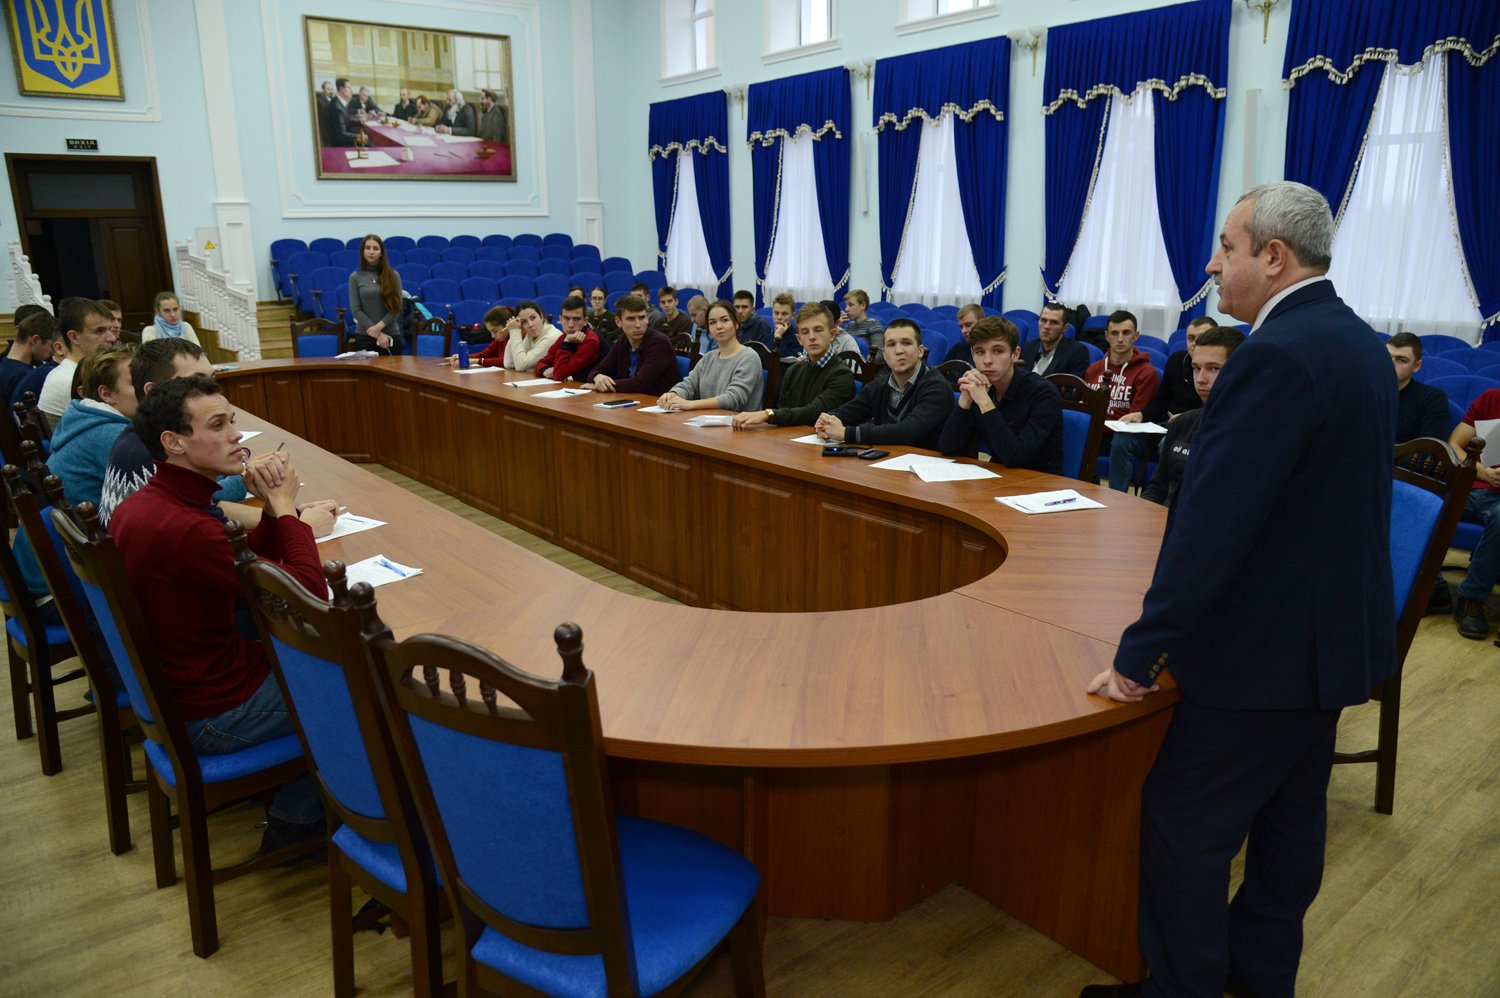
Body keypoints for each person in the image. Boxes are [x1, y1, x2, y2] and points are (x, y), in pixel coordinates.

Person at [1080, 181, 1397, 998]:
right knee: (1289, 827)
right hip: (1330, 641)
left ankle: (1182, 987)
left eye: (1227, 246)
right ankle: (1259, 979)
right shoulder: (1358, 339)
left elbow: (1214, 525)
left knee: (1184, 824)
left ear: (1274, 257)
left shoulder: (1274, 356)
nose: (1214, 265)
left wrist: (1141, 654)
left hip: (1264, 654)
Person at [110, 374, 330, 854]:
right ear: (174, 442)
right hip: (213, 712)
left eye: (231, 420)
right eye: (218, 425)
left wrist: (270, 512)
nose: (237, 434)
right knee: (367, 687)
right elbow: (308, 597)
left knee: (328, 662)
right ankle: (298, 821)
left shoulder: (149, 503)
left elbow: (250, 565)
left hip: (185, 687)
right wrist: (285, 507)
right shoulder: (184, 528)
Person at [97, 338, 335, 535]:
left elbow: (211, 507)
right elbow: (206, 526)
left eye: (211, 379)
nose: (211, 389)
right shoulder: (144, 453)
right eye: (196, 381)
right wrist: (296, 525)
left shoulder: (141, 435)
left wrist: (289, 516)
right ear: (154, 391)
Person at [938, 316, 1063, 473]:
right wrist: (965, 399)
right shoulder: (979, 388)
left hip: (1040, 480)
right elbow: (948, 448)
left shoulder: (1044, 394)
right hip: (998, 475)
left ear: (1015, 354)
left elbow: (1015, 457)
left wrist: (984, 401)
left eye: (998, 351)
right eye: (980, 352)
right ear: (972, 354)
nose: (987, 360)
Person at [1109, 316, 1217, 496]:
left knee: (1167, 444)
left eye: (1202, 338)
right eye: (1191, 338)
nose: (1195, 343)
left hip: (1192, 428)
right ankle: (1116, 497)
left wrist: (1187, 418)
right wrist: (1141, 415)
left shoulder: (1219, 368)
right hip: (1164, 424)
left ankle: (1167, 499)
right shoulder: (1177, 360)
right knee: (1123, 438)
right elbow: (1162, 399)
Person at [1140, 326, 1245, 508]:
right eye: (1196, 368)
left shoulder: (1251, 432)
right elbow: (1157, 487)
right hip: (1165, 519)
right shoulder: (1182, 423)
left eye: (1214, 369)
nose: (1201, 379)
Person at [816, 318, 954, 450]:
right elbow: (849, 412)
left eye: (906, 343)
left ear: (920, 351)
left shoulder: (937, 387)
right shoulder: (880, 384)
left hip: (925, 462)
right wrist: (826, 421)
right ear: (885, 354)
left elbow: (907, 432)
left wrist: (847, 433)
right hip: (888, 459)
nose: (899, 351)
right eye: (891, 345)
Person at [732, 303, 855, 430]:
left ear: (832, 335)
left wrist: (768, 414)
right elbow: (784, 413)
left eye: (818, 330)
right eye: (805, 332)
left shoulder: (842, 374)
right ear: (799, 339)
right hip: (788, 437)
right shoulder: (793, 371)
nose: (812, 337)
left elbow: (814, 412)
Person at [47, 345, 137, 509]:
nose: (146, 389)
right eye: (135, 382)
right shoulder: (114, 435)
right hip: (94, 522)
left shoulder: (83, 415)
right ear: (106, 394)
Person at [1445, 388, 1500, 638]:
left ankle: (1471, 601)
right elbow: (1455, 445)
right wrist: (1483, 472)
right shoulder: (1492, 398)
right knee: (1421, 507)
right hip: (1470, 487)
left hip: (1497, 502)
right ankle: (1432, 588)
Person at [1086, 310, 1160, 491]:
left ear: (1136, 335)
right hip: (1098, 431)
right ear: (1106, 336)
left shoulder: (1147, 373)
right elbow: (1086, 407)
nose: (1120, 339)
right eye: (1114, 333)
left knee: (1121, 439)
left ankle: (1116, 497)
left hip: (1127, 436)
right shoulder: (1093, 369)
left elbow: (1134, 419)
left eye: (1126, 333)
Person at [656, 300, 763, 413]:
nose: (719, 326)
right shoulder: (708, 357)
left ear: (736, 324)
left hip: (738, 422)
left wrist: (691, 404)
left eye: (725, 320)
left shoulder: (749, 357)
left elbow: (733, 399)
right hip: (706, 420)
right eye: (712, 322)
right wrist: (673, 394)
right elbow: (689, 385)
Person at [586, 294, 680, 397]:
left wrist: (605, 385)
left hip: (658, 403)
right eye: (631, 319)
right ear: (618, 321)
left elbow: (641, 384)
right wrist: (597, 377)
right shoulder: (623, 340)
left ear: (647, 318)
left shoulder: (660, 343)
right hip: (629, 400)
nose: (638, 325)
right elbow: (598, 369)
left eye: (642, 317)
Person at [39, 297, 117, 420]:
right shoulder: (70, 380)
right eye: (100, 331)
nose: (112, 338)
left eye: (109, 330)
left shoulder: (78, 371)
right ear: (74, 337)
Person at [1386, 332, 1450, 445]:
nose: (1390, 365)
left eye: (1402, 360)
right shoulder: (1364, 392)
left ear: (1416, 366)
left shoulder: (1433, 399)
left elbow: (1430, 448)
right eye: (1386, 357)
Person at [347, 234, 405, 354]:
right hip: (364, 336)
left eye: (375, 248)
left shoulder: (393, 275)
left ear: (381, 252)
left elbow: (396, 308)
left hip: (390, 335)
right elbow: (356, 310)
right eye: (367, 248)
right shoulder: (355, 277)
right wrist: (378, 334)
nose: (371, 252)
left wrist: (378, 328)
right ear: (362, 251)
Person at [538, 297, 603, 381]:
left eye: (576, 319)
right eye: (566, 318)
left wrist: (567, 343)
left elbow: (559, 375)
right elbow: (541, 363)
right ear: (560, 319)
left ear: (585, 320)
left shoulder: (590, 340)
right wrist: (544, 370)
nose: (571, 325)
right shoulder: (565, 337)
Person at [0, 309, 58, 404]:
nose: (53, 352)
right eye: (52, 346)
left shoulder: (3, 365)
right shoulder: (24, 377)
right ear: (35, 340)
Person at [1019, 302, 1091, 378]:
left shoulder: (1077, 353)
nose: (1046, 326)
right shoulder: (1027, 347)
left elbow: (1072, 385)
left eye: (1054, 322)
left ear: (1065, 328)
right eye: (1043, 320)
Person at [502, 301, 562, 372]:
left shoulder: (552, 336)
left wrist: (514, 331)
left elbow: (521, 365)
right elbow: (509, 364)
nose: (530, 325)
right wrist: (513, 330)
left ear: (541, 316)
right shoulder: (530, 336)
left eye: (533, 318)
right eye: (524, 322)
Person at [447, 305, 513, 368]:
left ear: (507, 326)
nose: (492, 336)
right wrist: (463, 357)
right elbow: (483, 354)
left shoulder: (516, 339)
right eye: (490, 332)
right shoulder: (500, 340)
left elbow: (506, 361)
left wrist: (477, 361)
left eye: (495, 331)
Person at [322, 78, 357, 147]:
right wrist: (358, 136)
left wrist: (360, 121)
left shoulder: (337, 101)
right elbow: (341, 135)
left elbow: (345, 121)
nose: (351, 90)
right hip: (340, 143)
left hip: (342, 138)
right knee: (370, 143)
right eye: (349, 88)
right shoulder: (337, 108)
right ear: (341, 89)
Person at [770, 292, 801, 360]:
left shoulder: (798, 338)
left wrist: (778, 338)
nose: (779, 317)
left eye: (784, 314)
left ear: (792, 316)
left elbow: (788, 362)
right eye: (776, 313)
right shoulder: (768, 336)